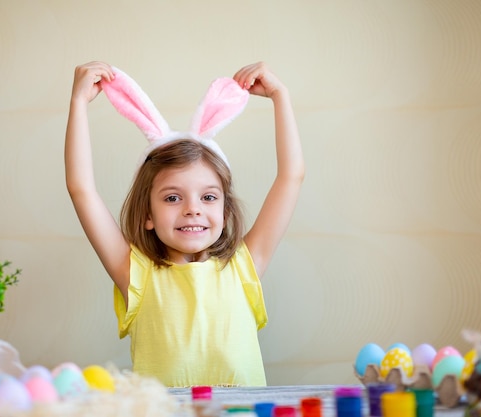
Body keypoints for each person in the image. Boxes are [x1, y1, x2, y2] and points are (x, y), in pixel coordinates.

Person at [64, 61, 304, 387]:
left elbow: (291, 177)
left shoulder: (244, 266)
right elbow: (82, 189)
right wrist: (78, 103)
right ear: (147, 215)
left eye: (208, 198)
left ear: (226, 211)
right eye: (173, 198)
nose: (193, 209)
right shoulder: (136, 273)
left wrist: (281, 96)